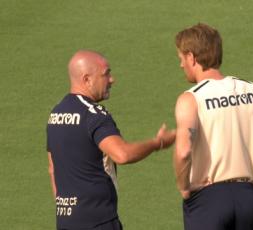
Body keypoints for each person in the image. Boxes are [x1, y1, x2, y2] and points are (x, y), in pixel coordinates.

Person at [173, 23, 253, 230]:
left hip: (207, 198)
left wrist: (184, 186)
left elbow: (183, 151)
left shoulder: (191, 99)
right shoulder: (251, 90)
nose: (181, 65)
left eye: (181, 59)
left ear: (191, 57)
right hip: (246, 199)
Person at [46, 50, 176, 230]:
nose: (112, 79)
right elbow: (122, 154)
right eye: (106, 74)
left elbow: (53, 168)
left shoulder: (56, 114)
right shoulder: (94, 115)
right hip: (99, 221)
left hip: (66, 222)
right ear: (87, 79)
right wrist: (158, 143)